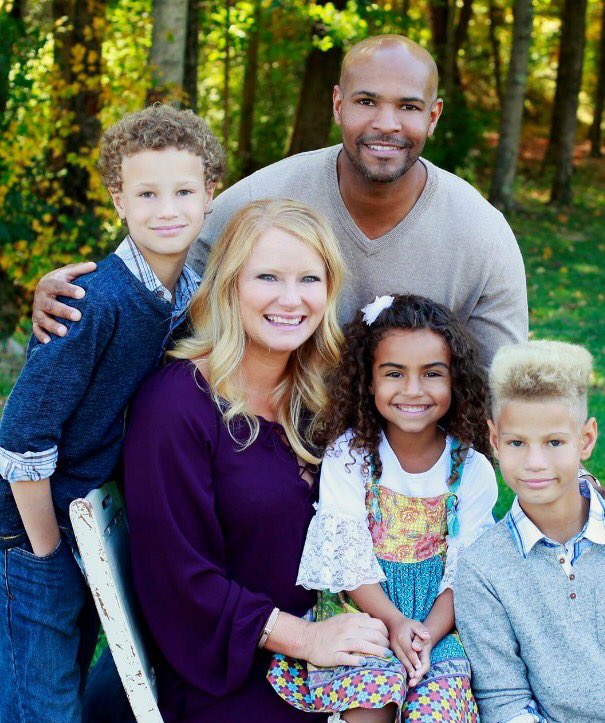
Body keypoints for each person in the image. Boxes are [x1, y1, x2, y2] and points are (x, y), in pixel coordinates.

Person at [30, 34, 528, 370]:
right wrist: (79, 298)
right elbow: (157, 271)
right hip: (266, 441)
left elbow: (500, 388)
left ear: (434, 115)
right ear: (338, 104)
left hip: (406, 465)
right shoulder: (261, 199)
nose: (387, 124)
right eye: (367, 102)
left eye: (409, 107)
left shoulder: (480, 235)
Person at [123, 199, 392, 723]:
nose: (291, 300)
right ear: (230, 286)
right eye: (267, 277)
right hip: (231, 672)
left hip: (340, 643)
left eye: (309, 280)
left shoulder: (318, 396)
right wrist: (306, 638)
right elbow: (179, 579)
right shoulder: (176, 407)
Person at [0, 104, 224, 722]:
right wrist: (46, 554)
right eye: (146, 193)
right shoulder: (90, 302)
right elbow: (21, 437)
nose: (168, 208)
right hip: (31, 531)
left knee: (76, 683)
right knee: (38, 704)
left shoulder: (191, 295)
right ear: (118, 200)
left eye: (183, 190)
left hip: (91, 525)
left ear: (211, 194)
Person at [268, 294, 498, 722]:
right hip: (364, 613)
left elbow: (467, 570)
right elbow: (347, 561)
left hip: (439, 623)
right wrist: (393, 621)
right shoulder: (350, 457)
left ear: (456, 381)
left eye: (432, 374)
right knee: (371, 700)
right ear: (370, 381)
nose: (413, 390)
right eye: (394, 374)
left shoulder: (471, 469)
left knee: (438, 708)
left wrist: (425, 633)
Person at [454, 341, 602, 723]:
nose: (535, 463)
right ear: (494, 441)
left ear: (585, 440)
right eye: (517, 443)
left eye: (554, 442)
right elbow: (504, 700)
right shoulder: (482, 567)